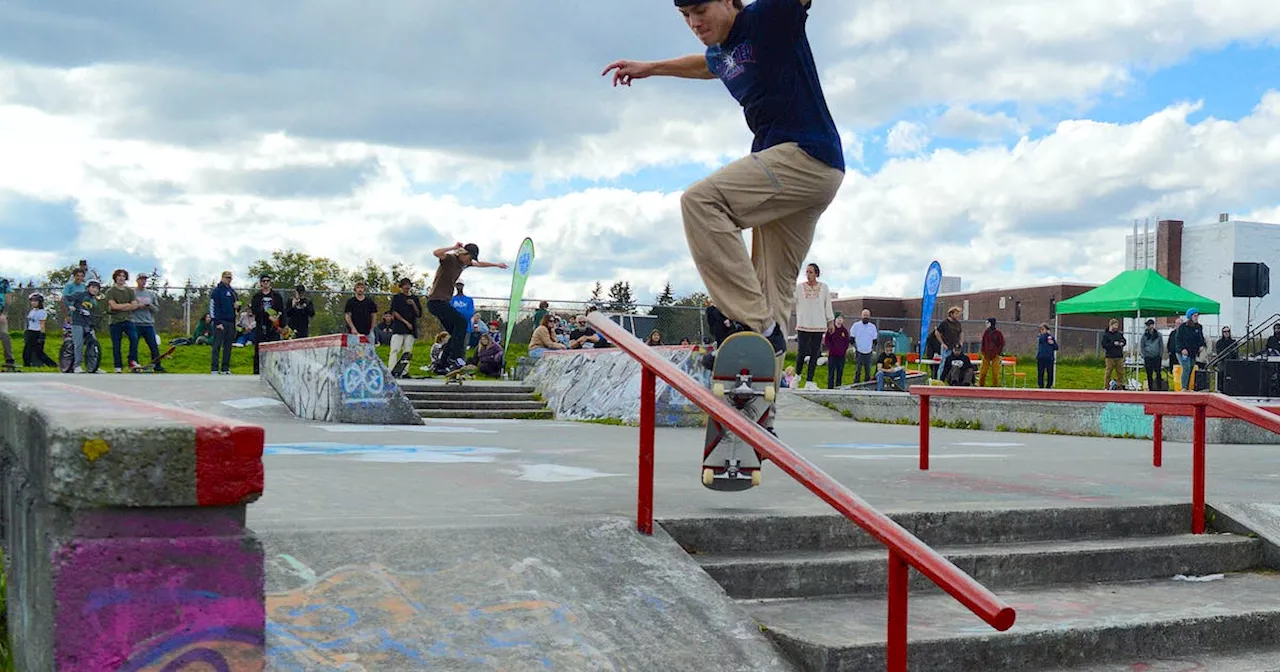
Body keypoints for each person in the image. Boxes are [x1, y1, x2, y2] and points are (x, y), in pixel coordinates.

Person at [603, 0, 845, 359]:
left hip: (803, 155)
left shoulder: (768, 16)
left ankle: (751, 325)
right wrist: (650, 67)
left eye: (700, 10)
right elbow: (704, 65)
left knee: (701, 202)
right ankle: (757, 403)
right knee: (770, 293)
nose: (694, 22)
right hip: (811, 176)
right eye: (685, 16)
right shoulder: (720, 53)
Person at [426, 242, 507, 375]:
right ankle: (455, 358)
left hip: (441, 302)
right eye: (469, 258)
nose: (469, 262)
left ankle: (441, 365)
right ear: (463, 253)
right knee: (462, 322)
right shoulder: (450, 259)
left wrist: (496, 265)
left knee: (456, 332)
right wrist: (453, 247)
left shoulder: (464, 263)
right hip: (436, 301)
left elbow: (479, 264)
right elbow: (436, 253)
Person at [793, 263, 834, 389]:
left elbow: (827, 304)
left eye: (811, 272)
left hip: (818, 325)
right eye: (807, 272)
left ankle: (809, 381)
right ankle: (797, 376)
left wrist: (830, 321)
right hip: (803, 324)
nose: (808, 274)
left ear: (816, 273)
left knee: (815, 353)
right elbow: (791, 299)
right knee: (801, 352)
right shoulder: (799, 288)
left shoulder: (824, 288)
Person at [103, 269, 140, 372]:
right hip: (115, 321)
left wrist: (123, 306)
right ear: (115, 277)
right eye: (119, 276)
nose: (121, 278)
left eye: (123, 276)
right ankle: (118, 366)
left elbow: (134, 305)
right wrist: (127, 305)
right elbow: (113, 306)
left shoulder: (130, 291)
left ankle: (132, 361)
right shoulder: (110, 291)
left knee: (134, 338)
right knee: (116, 344)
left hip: (128, 320)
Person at [250, 274, 285, 375]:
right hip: (261, 325)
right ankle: (257, 372)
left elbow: (281, 310)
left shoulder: (276, 296)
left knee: (274, 350)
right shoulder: (257, 296)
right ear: (260, 283)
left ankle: (274, 371)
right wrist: (265, 313)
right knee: (259, 349)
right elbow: (254, 310)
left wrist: (281, 325)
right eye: (264, 281)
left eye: (268, 281)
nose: (266, 283)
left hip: (274, 326)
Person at [130, 273, 165, 372]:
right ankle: (134, 364)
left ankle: (157, 365)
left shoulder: (151, 294)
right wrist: (137, 306)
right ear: (137, 281)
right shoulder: (132, 293)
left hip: (148, 323)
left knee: (153, 345)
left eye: (145, 280)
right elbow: (129, 307)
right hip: (135, 323)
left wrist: (149, 306)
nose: (143, 281)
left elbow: (156, 309)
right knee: (134, 345)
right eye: (141, 279)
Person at [67, 280, 102, 372]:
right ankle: (77, 366)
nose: (95, 290)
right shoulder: (80, 295)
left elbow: (93, 313)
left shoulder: (94, 301)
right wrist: (70, 306)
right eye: (93, 287)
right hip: (77, 322)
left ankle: (93, 366)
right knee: (79, 344)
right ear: (88, 288)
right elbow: (66, 298)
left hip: (88, 323)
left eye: (97, 288)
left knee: (93, 343)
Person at [389, 278, 422, 371]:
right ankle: (391, 369)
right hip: (399, 327)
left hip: (411, 329)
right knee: (395, 349)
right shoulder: (397, 297)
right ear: (401, 287)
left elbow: (419, 314)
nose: (406, 287)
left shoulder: (415, 298)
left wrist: (413, 304)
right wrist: (405, 322)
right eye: (404, 285)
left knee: (407, 351)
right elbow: (394, 312)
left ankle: (404, 371)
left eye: (408, 285)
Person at [209, 271, 237, 374]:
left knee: (228, 347)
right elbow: (212, 307)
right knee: (216, 346)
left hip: (230, 322)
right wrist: (216, 322)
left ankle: (225, 368)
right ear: (222, 278)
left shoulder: (232, 291)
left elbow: (236, 305)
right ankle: (214, 368)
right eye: (226, 277)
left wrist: (237, 307)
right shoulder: (216, 291)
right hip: (220, 322)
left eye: (230, 278)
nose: (228, 280)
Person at [22, 293, 57, 368]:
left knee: (39, 353)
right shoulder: (32, 311)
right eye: (32, 301)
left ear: (40, 302)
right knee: (27, 351)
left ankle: (53, 365)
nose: (33, 302)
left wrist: (42, 335)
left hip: (37, 333)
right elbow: (29, 323)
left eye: (35, 301)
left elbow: (42, 324)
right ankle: (27, 365)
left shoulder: (42, 312)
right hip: (30, 332)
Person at [1175, 308, 1207, 391]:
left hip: (1193, 352)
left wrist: (1202, 345)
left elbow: (1201, 338)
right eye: (1195, 316)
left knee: (1191, 368)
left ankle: (1188, 387)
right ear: (1190, 317)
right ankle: (1184, 387)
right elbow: (1178, 339)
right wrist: (1182, 349)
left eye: (1197, 316)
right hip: (1183, 352)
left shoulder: (1199, 327)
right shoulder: (1183, 327)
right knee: (1186, 368)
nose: (1196, 317)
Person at [849, 309, 877, 384]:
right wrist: (855, 348)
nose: (866, 317)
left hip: (868, 351)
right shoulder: (856, 325)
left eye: (867, 315)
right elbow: (851, 338)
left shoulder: (872, 327)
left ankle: (867, 384)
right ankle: (856, 384)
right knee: (858, 369)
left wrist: (872, 348)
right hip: (859, 351)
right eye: (864, 315)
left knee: (868, 370)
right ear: (861, 316)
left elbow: (875, 340)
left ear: (869, 316)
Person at [823, 315, 849, 388]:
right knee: (831, 372)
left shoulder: (844, 331)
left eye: (841, 319)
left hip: (841, 356)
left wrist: (844, 350)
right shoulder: (831, 329)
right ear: (835, 319)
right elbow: (826, 341)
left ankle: (838, 386)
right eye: (838, 318)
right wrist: (832, 348)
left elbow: (847, 342)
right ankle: (830, 387)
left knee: (840, 372)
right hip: (832, 355)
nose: (839, 320)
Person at [978, 318, 1005, 387]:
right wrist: (983, 351)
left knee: (995, 372)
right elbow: (983, 343)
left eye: (987, 323)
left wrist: (998, 352)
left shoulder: (998, 333)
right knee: (983, 372)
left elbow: (1001, 343)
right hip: (986, 355)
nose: (986, 325)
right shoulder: (986, 332)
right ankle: (981, 385)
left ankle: (995, 386)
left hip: (995, 355)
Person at [1140, 319, 1165, 391]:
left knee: (1158, 373)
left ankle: (1159, 388)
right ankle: (1150, 388)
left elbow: (1161, 346)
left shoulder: (1158, 335)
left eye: (1150, 325)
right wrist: (1144, 355)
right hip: (1148, 357)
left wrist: (1160, 355)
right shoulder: (1144, 336)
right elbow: (1142, 346)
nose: (1149, 326)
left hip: (1157, 357)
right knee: (1149, 374)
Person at [1101, 319, 1126, 390]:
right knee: (1108, 372)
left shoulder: (1119, 334)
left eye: (1117, 325)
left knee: (1120, 372)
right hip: (1110, 357)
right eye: (1115, 325)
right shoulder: (1106, 335)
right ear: (1111, 325)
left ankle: (1120, 386)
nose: (1116, 327)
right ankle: (1106, 386)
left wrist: (1122, 343)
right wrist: (1113, 344)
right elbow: (1104, 345)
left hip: (1119, 356)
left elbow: (1124, 340)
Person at [1036, 323, 1059, 389]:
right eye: (1041, 330)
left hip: (1049, 358)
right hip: (1041, 357)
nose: (1042, 331)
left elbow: (1056, 347)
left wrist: (1052, 343)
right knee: (1040, 372)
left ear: (1047, 329)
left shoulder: (1051, 338)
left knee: (1050, 372)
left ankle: (1049, 385)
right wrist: (1047, 335)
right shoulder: (1041, 337)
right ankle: (1041, 385)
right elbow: (1042, 339)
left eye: (1043, 329)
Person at [0, 277, 16, 369]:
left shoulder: (3, 282)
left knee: (4, 334)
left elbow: (9, 298)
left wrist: (4, 314)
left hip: (1, 312)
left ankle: (9, 360)